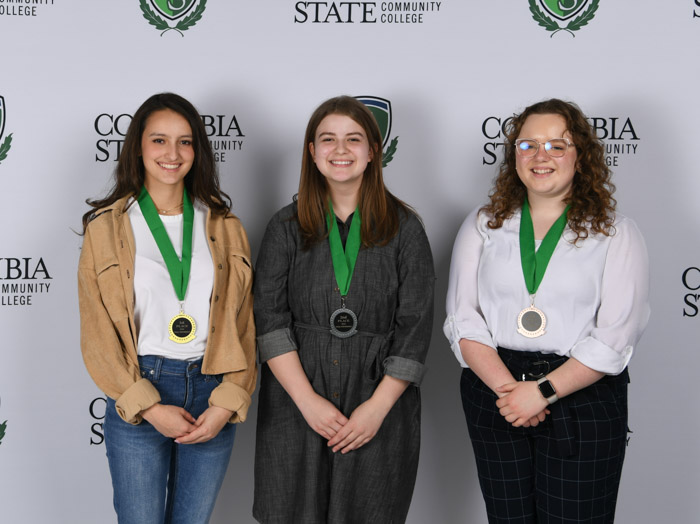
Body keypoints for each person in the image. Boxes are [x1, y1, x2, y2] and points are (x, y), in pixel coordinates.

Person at [444, 99, 650, 523]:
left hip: (581, 396)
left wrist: (539, 393)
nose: (541, 156)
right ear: (514, 155)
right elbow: (463, 320)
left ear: (581, 156)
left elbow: (614, 337)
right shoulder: (484, 224)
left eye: (558, 145)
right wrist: (510, 391)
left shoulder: (614, 232)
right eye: (528, 145)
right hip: (494, 392)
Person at [252, 95, 434, 523]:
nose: (340, 150)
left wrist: (376, 409)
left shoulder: (406, 230)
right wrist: (307, 401)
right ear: (312, 153)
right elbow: (270, 322)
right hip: (296, 401)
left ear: (373, 151)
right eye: (328, 139)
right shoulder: (284, 227)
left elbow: (415, 327)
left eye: (354, 139)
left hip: (377, 404)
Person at [78, 93, 256, 524]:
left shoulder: (225, 225)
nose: (172, 154)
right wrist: (149, 407)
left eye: (185, 141)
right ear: (138, 146)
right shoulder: (106, 227)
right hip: (141, 389)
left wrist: (225, 403)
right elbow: (97, 333)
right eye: (159, 140)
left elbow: (244, 325)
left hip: (210, 388)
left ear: (198, 151)